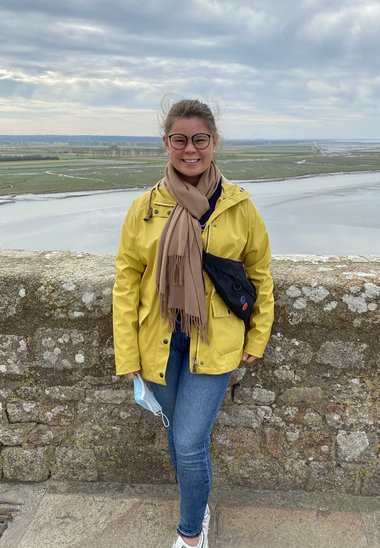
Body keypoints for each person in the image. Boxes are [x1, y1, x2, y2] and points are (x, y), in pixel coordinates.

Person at [113, 98, 274, 548]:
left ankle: (190, 534)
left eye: (199, 140)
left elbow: (260, 274)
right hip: (158, 341)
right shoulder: (144, 207)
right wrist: (126, 353)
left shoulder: (239, 206)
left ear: (214, 143)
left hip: (216, 339)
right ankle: (196, 499)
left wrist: (257, 337)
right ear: (166, 143)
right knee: (179, 436)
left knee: (187, 441)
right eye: (180, 140)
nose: (190, 150)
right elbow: (126, 283)